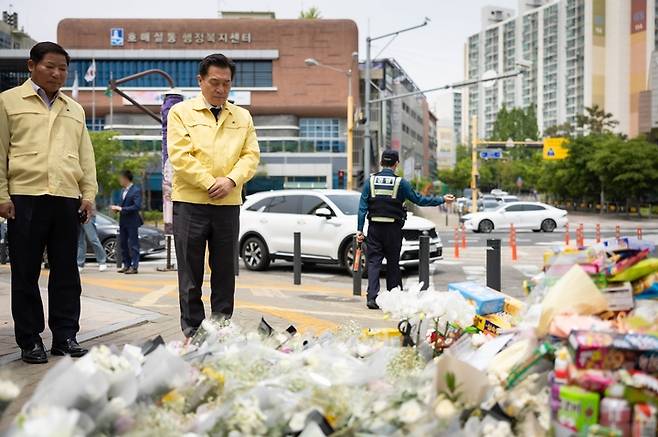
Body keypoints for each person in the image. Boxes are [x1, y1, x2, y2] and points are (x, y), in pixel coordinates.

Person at [0, 42, 98, 364]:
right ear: (32, 66)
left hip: (66, 197)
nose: (57, 74)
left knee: (67, 272)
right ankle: (30, 340)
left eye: (63, 69)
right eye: (50, 66)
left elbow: (86, 156)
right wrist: (2, 195)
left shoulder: (75, 109)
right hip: (25, 198)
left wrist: (88, 194)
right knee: (26, 273)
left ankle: (65, 336)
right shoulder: (8, 102)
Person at [167, 53, 260, 337]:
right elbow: (180, 156)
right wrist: (209, 182)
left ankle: (221, 326)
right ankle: (193, 329)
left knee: (224, 271)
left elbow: (251, 155)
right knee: (190, 272)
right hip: (190, 202)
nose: (220, 89)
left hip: (228, 203)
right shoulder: (181, 113)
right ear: (201, 81)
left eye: (226, 84)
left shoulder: (242, 116)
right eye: (214, 83)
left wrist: (231, 181)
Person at [357, 150, 455, 309]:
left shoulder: (370, 181)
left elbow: (362, 207)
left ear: (381, 163)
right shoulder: (400, 183)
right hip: (393, 229)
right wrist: (441, 199)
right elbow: (419, 200)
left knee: (374, 263)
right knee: (393, 264)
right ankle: (394, 297)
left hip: (374, 228)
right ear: (396, 164)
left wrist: (359, 230)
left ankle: (372, 298)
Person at [111, 170, 142, 274]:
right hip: (123, 221)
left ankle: (134, 266)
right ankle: (126, 265)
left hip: (132, 221)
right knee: (123, 243)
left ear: (125, 178)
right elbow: (122, 205)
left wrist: (121, 209)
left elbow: (137, 206)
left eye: (121, 178)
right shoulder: (122, 191)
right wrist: (117, 209)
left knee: (133, 244)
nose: (119, 180)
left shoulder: (136, 190)